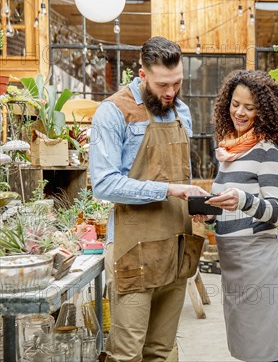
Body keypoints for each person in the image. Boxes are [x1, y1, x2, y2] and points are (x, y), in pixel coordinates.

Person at [89, 36, 209, 362]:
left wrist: (195, 204)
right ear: (142, 74)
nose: (170, 92)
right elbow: (103, 184)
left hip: (176, 245)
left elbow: (180, 177)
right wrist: (169, 190)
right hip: (133, 251)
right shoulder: (113, 112)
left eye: (177, 82)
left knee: (162, 350)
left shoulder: (181, 111)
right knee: (127, 353)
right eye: (162, 85)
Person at [200, 70, 278, 362]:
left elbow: (275, 213)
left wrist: (242, 199)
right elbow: (230, 211)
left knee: (263, 349)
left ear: (264, 111)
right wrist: (210, 215)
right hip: (234, 264)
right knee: (246, 348)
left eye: (249, 107)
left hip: (257, 264)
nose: (239, 112)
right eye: (235, 103)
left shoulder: (269, 153)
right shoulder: (231, 151)